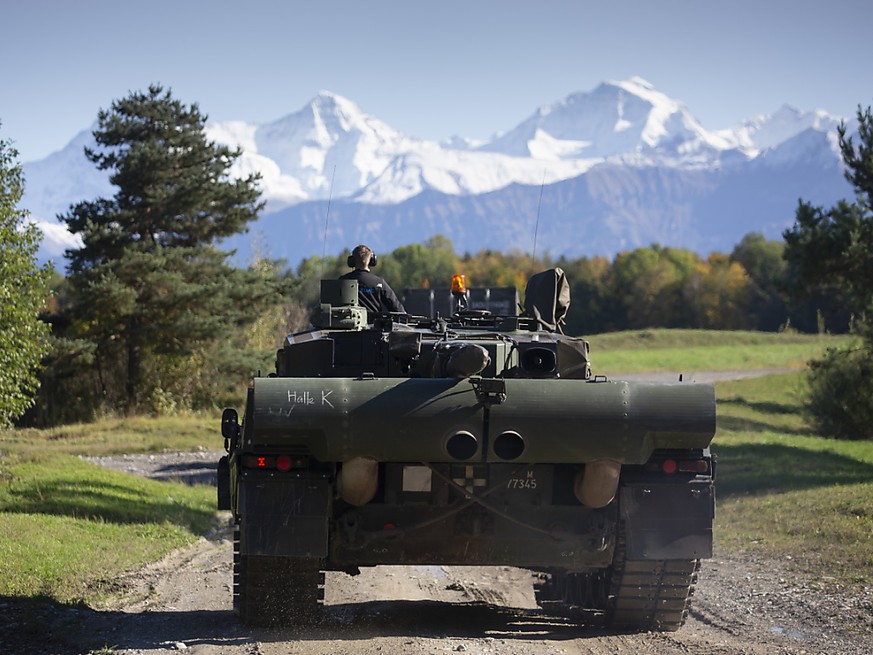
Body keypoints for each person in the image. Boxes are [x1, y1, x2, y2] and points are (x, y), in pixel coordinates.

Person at [340, 244, 406, 315]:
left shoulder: (342, 281)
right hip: (374, 325)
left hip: (348, 325)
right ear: (372, 261)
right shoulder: (379, 283)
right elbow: (397, 309)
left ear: (351, 261)